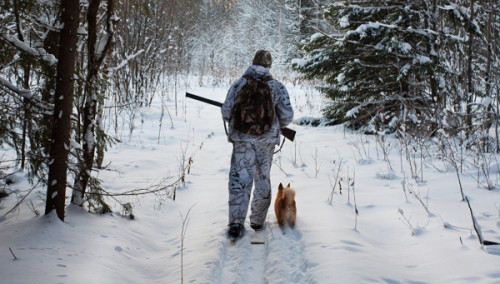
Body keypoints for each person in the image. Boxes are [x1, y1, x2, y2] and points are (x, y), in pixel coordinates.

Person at [221, 50, 294, 239]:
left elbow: (226, 111)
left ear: (252, 62)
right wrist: (275, 125)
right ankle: (257, 221)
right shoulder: (276, 87)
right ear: (269, 66)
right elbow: (287, 116)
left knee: (239, 179)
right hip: (266, 142)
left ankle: (236, 223)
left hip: (242, 141)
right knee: (262, 178)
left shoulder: (239, 84)